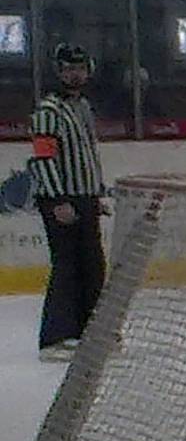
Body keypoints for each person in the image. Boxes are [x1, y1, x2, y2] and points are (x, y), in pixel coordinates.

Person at [28, 43, 109, 363]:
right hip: (61, 199)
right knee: (66, 267)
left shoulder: (84, 107)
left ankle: (90, 331)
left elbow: (88, 154)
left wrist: (95, 195)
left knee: (92, 265)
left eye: (79, 69)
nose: (75, 75)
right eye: (68, 70)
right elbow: (44, 158)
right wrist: (58, 199)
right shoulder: (48, 110)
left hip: (85, 198)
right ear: (59, 72)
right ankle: (56, 337)